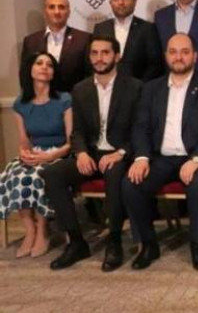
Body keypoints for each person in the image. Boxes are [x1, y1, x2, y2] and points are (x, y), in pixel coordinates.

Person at [122, 33, 198, 271]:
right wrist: (141, 158)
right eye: (173, 52)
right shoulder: (151, 88)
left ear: (195, 56)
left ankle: (197, 246)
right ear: (166, 56)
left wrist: (197, 158)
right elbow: (141, 126)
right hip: (160, 158)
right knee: (131, 183)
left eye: (185, 52)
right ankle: (148, 245)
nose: (179, 57)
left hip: (193, 157)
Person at [42, 36, 142, 271]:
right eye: (94, 53)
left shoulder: (135, 87)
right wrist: (81, 153)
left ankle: (114, 241)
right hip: (92, 154)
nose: (99, 58)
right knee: (52, 174)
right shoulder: (81, 89)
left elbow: (141, 129)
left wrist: (121, 152)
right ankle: (76, 242)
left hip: (120, 155)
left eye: (105, 52)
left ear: (117, 56)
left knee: (114, 173)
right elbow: (77, 131)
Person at [0, 52, 72, 258]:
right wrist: (25, 155)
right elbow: (24, 141)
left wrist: (49, 157)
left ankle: (42, 229)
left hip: (59, 153)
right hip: (35, 152)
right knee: (15, 173)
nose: (44, 67)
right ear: (29, 69)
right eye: (39, 63)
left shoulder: (65, 100)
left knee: (37, 175)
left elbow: (70, 142)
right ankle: (29, 229)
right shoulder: (20, 103)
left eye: (49, 65)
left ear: (53, 72)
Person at [94, 0, 164, 81]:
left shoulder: (148, 29)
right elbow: (93, 61)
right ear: (110, 3)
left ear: (134, 1)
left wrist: (139, 86)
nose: (121, 2)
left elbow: (155, 65)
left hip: (139, 87)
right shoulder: (100, 28)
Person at [20, 0, 91, 92]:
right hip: (40, 99)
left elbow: (89, 75)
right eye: (51, 7)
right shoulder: (31, 41)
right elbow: (25, 74)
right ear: (45, 12)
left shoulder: (84, 39)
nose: (57, 12)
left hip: (74, 98)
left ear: (69, 12)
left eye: (61, 7)